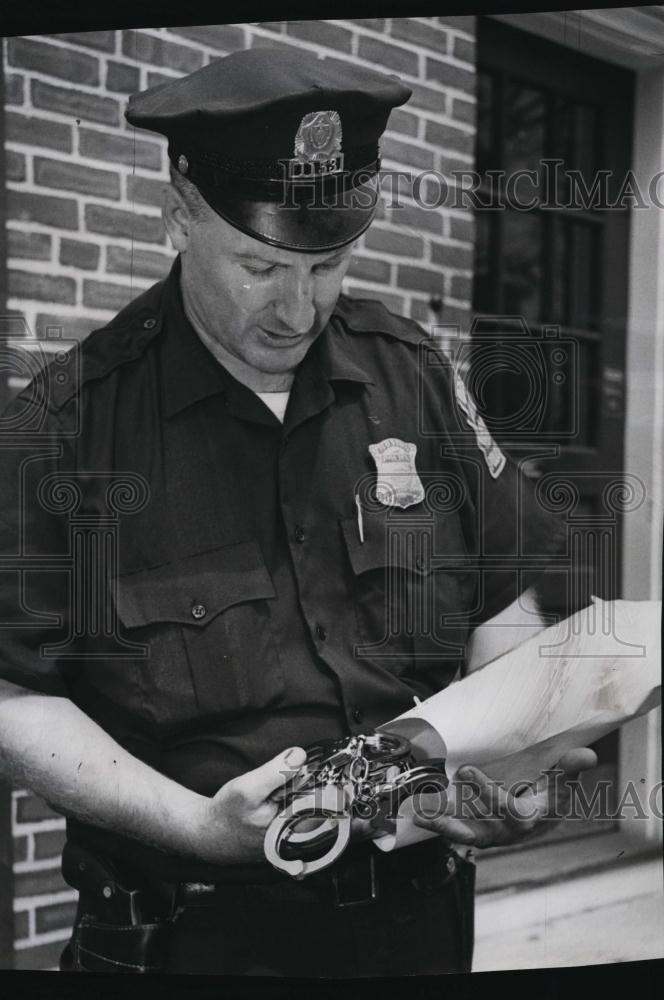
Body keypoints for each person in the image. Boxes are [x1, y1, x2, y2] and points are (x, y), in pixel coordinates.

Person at [0, 48, 596, 977]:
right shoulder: (66, 427)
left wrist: (514, 763)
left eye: (329, 264)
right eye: (259, 265)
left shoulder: (415, 376)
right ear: (179, 214)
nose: (297, 308)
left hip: (420, 926)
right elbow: (14, 698)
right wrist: (201, 829)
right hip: (188, 943)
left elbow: (499, 606)